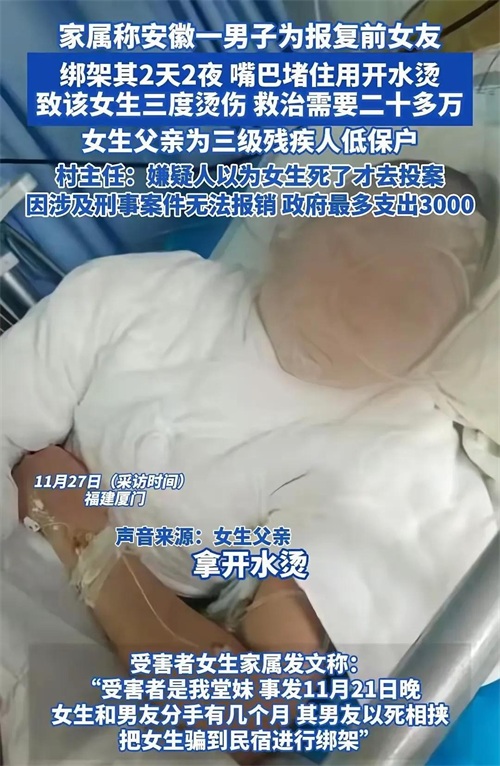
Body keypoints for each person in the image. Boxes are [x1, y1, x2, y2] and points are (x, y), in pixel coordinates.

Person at [1, 164, 497, 762]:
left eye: (409, 292)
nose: (357, 299)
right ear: (295, 228)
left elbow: (248, 714)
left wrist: (84, 536)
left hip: (105, 677)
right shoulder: (145, 293)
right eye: (353, 244)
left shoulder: (394, 448)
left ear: (447, 327)